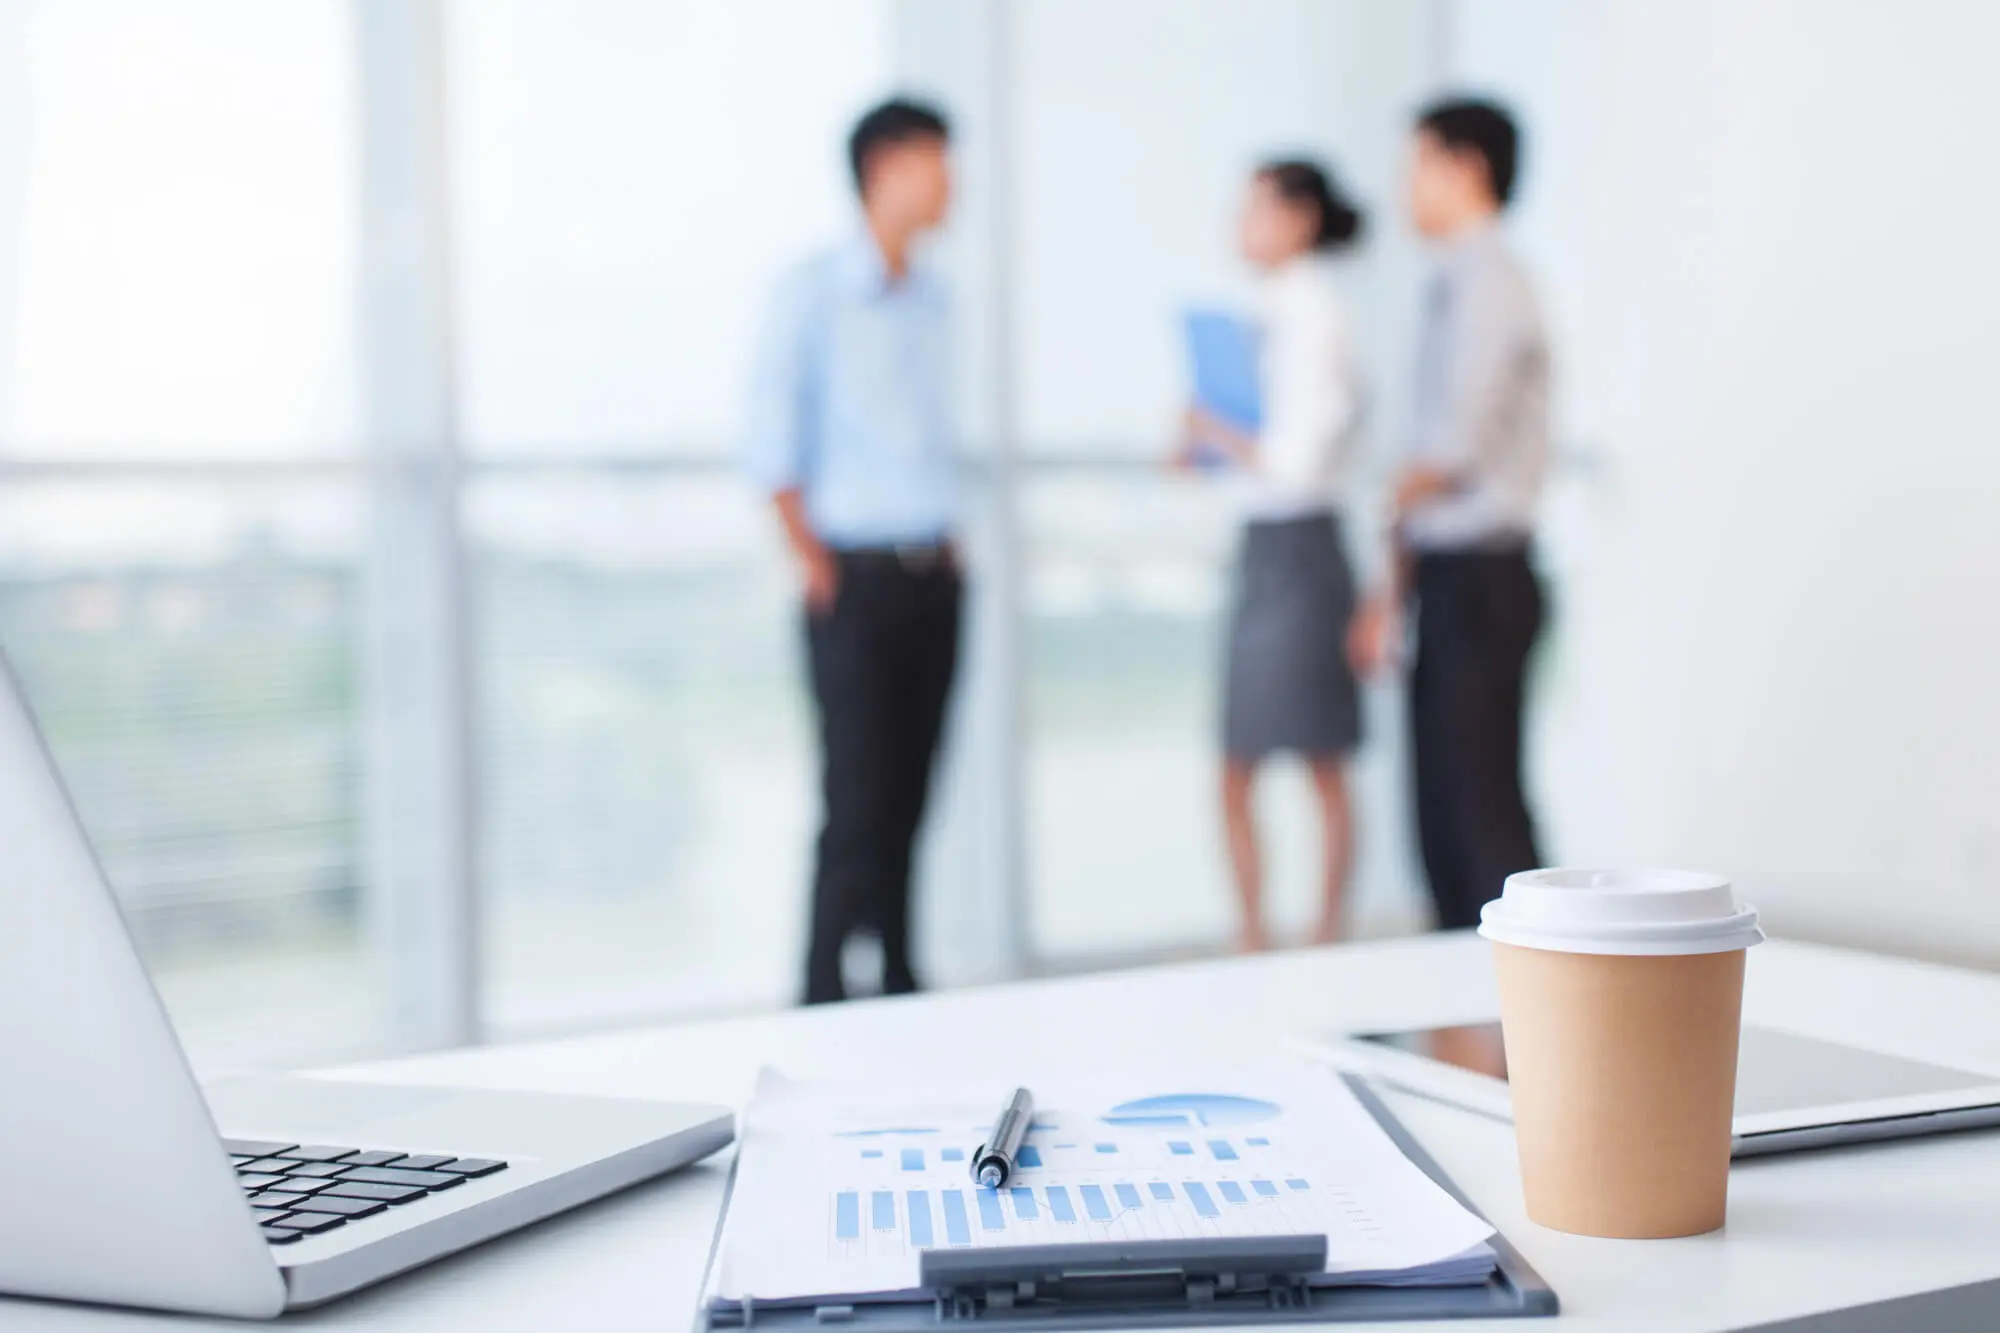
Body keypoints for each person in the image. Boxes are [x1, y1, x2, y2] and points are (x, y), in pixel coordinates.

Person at [741, 97, 961, 1004]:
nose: (953, 181)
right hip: (855, 579)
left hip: (933, 576)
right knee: (856, 798)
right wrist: (814, 558)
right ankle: (822, 988)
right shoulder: (812, 291)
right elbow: (770, 444)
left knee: (913, 795)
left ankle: (901, 979)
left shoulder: (935, 298)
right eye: (938, 160)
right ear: (887, 166)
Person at [1351, 97, 1552, 932]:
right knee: (1443, 813)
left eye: (1416, 165)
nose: (1405, 187)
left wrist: (1390, 495)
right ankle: (1466, 1022)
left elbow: (1452, 448)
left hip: (1484, 576)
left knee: (1479, 815)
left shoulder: (1491, 283)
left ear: (1466, 166)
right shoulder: (1449, 283)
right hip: (1451, 574)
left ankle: (1538, 1016)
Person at [1177, 159, 1368, 952]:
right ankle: (1253, 933)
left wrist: (1218, 433)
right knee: (1238, 760)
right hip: (1261, 544)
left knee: (1320, 758)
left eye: (1255, 209)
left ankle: (1324, 936)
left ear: (1300, 218)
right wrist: (1199, 441)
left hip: (1303, 543)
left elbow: (1295, 457)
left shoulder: (1318, 314)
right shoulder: (1260, 311)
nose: (1240, 224)